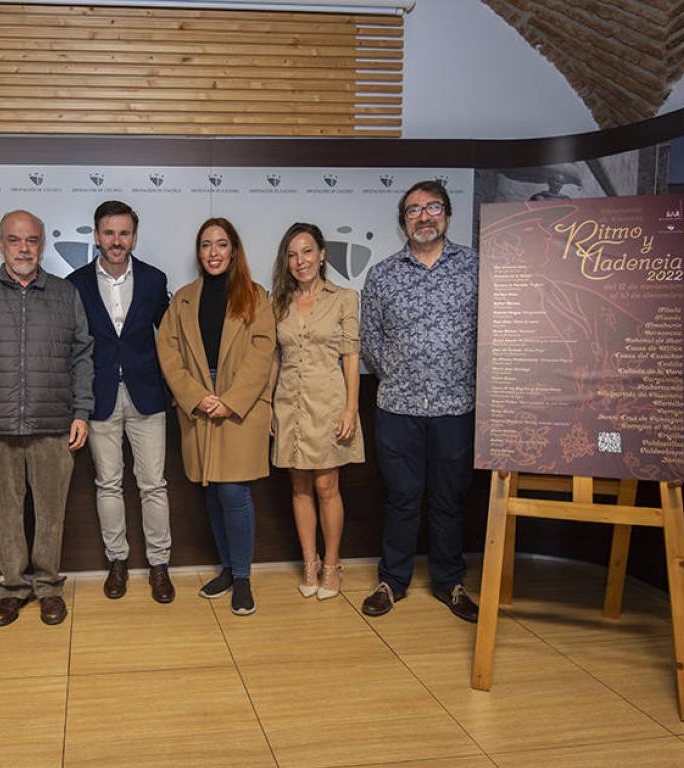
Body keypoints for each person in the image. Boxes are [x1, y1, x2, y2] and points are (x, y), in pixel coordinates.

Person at [0, 209, 94, 627]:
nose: (24, 249)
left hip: (53, 424)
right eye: (15, 240)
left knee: (51, 512)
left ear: (41, 244)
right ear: (1, 244)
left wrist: (81, 411)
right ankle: (14, 588)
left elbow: (82, 354)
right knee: (5, 513)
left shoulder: (64, 293)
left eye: (32, 240)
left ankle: (49, 587)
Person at [359, 180, 480, 623]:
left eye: (432, 207)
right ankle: (393, 581)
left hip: (456, 407)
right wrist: (395, 371)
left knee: (450, 500)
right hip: (398, 406)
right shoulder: (383, 274)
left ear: (447, 214)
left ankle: (451, 584)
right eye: (413, 210)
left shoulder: (475, 267)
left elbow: (491, 331)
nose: (423, 216)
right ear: (402, 222)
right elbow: (369, 338)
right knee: (402, 498)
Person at [157, 217, 274, 616]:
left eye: (221, 244)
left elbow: (262, 353)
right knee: (210, 488)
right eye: (206, 245)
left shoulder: (255, 296)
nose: (213, 252)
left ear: (234, 250)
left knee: (232, 491)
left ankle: (242, 578)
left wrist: (229, 399)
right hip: (199, 402)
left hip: (238, 404)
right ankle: (226, 568)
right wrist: (197, 396)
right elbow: (169, 355)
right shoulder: (184, 298)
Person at [67, 201, 175, 603]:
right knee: (108, 485)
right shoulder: (74, 283)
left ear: (134, 236)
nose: (116, 241)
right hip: (99, 398)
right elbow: (73, 346)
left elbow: (170, 338)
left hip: (147, 395)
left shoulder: (153, 279)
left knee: (153, 485)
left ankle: (159, 565)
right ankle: (118, 561)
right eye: (109, 233)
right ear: (96, 236)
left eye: (124, 233)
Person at [269, 222, 364, 600]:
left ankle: (332, 563)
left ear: (322, 254)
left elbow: (351, 356)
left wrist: (351, 408)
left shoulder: (344, 298)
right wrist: (268, 405)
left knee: (327, 485)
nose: (300, 260)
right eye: (292, 254)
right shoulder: (278, 302)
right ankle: (309, 563)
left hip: (328, 402)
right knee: (299, 486)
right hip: (289, 402)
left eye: (307, 251)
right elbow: (275, 358)